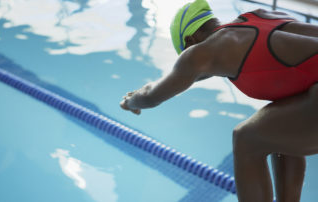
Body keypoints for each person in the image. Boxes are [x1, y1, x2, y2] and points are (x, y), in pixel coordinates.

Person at [120, 0, 318, 201]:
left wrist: (130, 102)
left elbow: (151, 96)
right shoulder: (260, 16)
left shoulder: (203, 52)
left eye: (185, 52)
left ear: (190, 40)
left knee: (245, 138)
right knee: (278, 123)